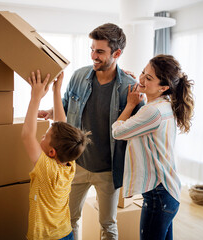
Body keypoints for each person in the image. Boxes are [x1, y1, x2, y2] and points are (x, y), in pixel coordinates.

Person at [38, 23, 143, 240]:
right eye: (92, 49)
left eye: (100, 52)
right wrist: (50, 111)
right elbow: (67, 104)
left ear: (117, 53)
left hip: (107, 170)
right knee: (69, 219)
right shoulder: (79, 76)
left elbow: (139, 129)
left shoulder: (129, 88)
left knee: (108, 225)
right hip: (76, 164)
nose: (93, 55)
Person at [112, 54, 194, 240]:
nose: (141, 79)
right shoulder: (165, 105)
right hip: (167, 192)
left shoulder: (152, 111)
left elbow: (117, 132)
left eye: (149, 78)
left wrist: (130, 104)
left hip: (159, 196)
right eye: (143, 72)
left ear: (164, 87)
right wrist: (139, 81)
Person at [22, 70, 91, 240]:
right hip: (65, 232)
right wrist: (56, 91)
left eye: (45, 136)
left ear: (52, 152)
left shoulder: (47, 169)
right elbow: (61, 124)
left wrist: (35, 98)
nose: (41, 136)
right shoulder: (69, 164)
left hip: (44, 237)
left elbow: (27, 135)